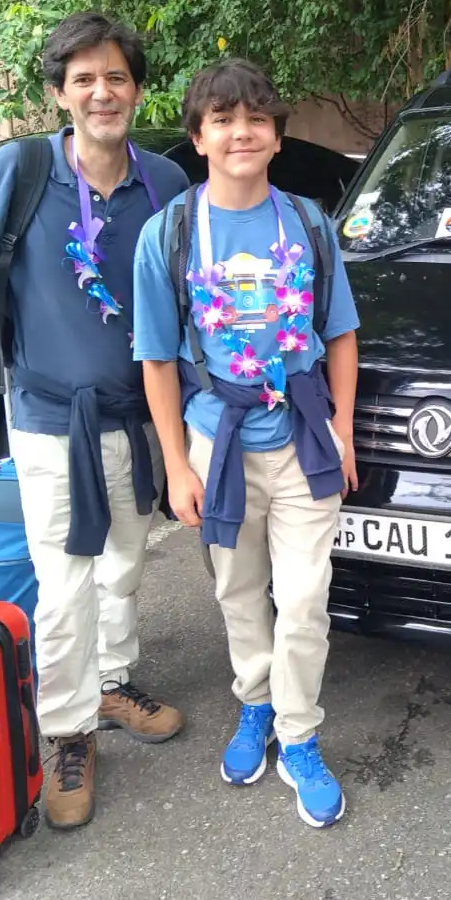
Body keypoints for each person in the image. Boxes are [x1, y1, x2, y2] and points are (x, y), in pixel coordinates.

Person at [0, 12, 189, 830]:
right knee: (63, 586)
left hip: (136, 419)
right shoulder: (22, 170)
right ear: (60, 92)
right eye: (85, 78)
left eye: (118, 77)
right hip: (45, 417)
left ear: (137, 88)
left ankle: (112, 682)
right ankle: (66, 731)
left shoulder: (165, 183)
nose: (104, 92)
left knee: (125, 566)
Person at [133, 59, 360, 828]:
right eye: (223, 120)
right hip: (216, 440)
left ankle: (299, 735)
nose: (241, 133)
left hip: (303, 437)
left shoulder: (306, 223)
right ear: (198, 136)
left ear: (274, 134)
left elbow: (341, 334)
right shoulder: (168, 234)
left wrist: (343, 427)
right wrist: (174, 465)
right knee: (237, 593)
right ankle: (255, 704)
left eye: (256, 119)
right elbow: (158, 360)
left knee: (303, 597)